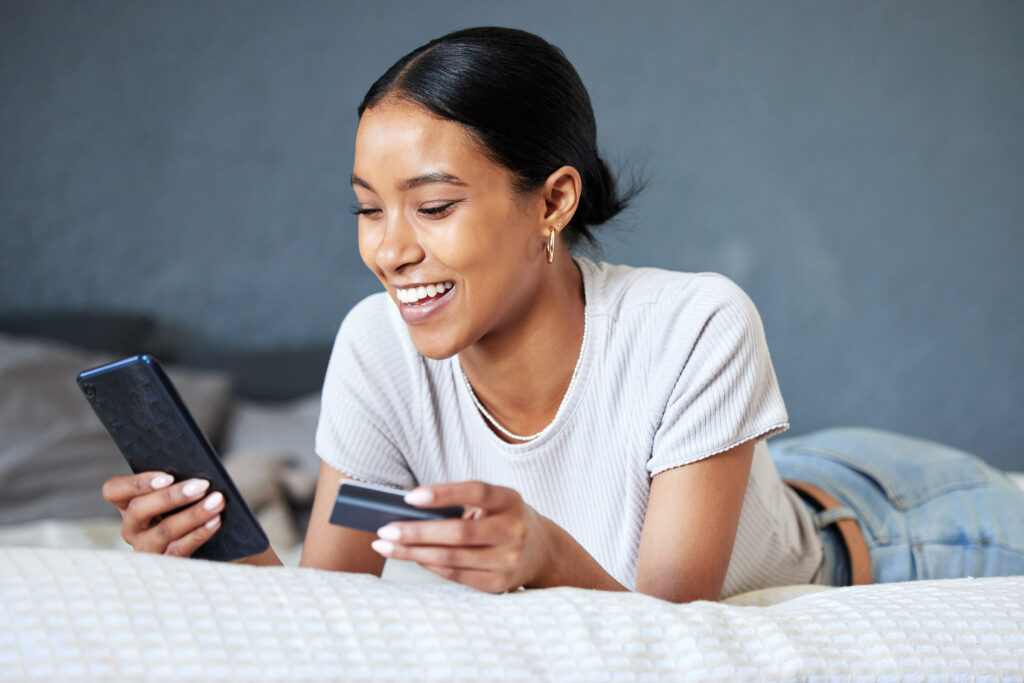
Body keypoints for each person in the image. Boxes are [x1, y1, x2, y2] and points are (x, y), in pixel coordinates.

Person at [101, 27, 1024, 602]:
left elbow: (676, 624)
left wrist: (542, 552)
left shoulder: (698, 321)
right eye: (366, 207)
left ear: (552, 202)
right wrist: (209, 548)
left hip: (891, 520)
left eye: (432, 206)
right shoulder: (376, 345)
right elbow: (331, 600)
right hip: (760, 482)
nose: (389, 248)